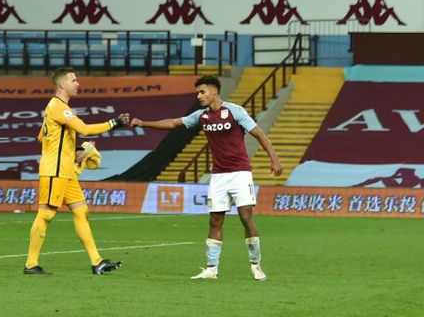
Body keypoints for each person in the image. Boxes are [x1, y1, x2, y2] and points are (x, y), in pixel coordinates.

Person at [129, 75, 283, 281]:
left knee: (246, 218)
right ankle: (212, 269)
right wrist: (143, 123)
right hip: (218, 176)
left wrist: (275, 160)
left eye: (202, 92)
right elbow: (174, 123)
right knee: (215, 221)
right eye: (197, 93)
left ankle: (256, 265)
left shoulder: (235, 111)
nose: (199, 96)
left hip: (240, 173)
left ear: (215, 92)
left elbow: (259, 134)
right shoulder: (201, 116)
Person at [24, 66, 129, 276]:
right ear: (63, 84)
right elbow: (85, 129)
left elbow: (41, 136)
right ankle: (30, 264)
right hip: (54, 169)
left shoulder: (59, 109)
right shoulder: (57, 106)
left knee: (81, 211)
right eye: (73, 80)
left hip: (66, 170)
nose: (77, 83)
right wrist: (114, 122)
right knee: (46, 215)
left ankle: (96, 261)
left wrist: (74, 150)